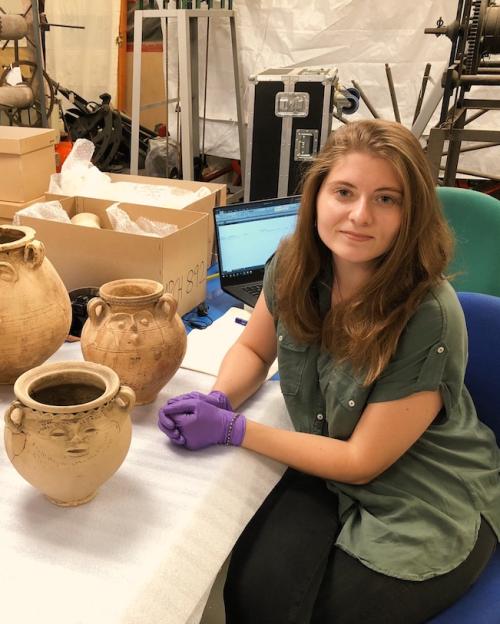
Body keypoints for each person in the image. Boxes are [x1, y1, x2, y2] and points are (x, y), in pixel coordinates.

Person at [158, 119, 500, 624]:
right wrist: (221, 398)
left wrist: (235, 430)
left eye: (387, 199)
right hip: (327, 459)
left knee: (323, 612)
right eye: (345, 191)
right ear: (317, 194)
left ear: (413, 214)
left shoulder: (427, 313)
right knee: (250, 592)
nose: (360, 215)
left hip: (423, 488)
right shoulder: (295, 262)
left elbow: (363, 460)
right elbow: (254, 350)